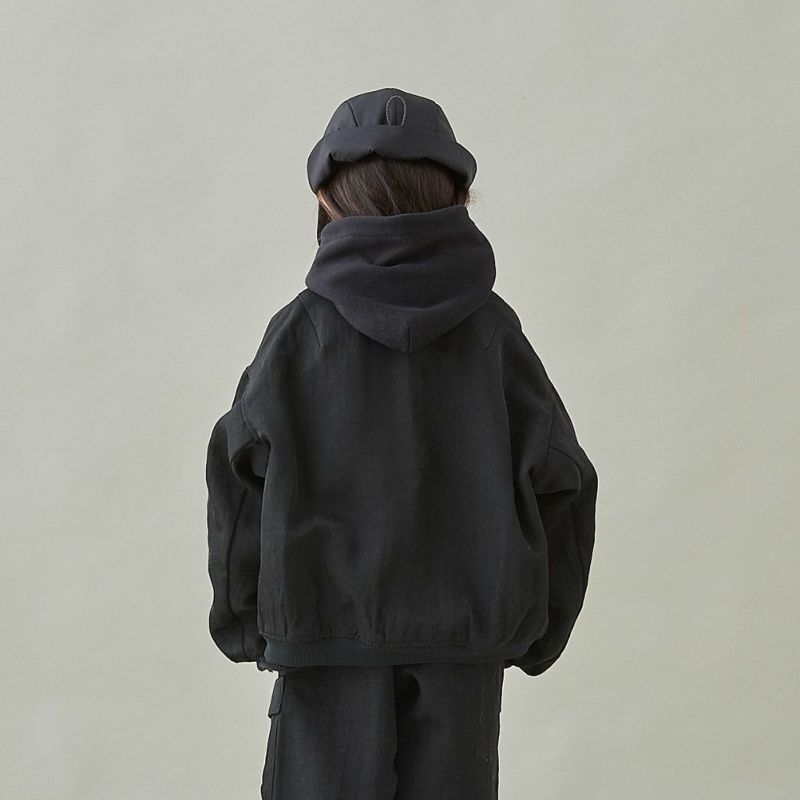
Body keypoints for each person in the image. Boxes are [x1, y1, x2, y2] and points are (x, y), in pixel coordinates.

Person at [205, 87, 599, 800]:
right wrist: (539, 628)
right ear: (459, 196)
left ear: (325, 199)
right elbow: (563, 478)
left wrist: (249, 623)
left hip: (322, 646)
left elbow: (238, 472)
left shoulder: (299, 332)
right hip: (464, 654)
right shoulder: (495, 334)